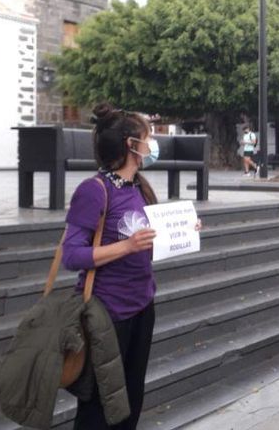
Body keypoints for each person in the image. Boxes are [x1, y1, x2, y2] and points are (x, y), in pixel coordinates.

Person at [62, 105, 194, 430]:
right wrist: (126, 247)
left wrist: (184, 229)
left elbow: (145, 237)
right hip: (107, 312)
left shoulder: (139, 187)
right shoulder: (94, 191)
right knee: (98, 406)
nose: (153, 144)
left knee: (131, 398)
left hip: (141, 305)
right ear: (131, 145)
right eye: (148, 138)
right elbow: (71, 255)